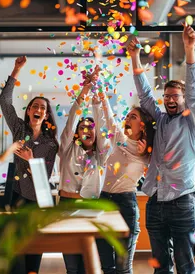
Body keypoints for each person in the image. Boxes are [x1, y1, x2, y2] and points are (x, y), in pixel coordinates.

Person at [127, 24, 195, 274]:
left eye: (175, 96)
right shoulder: (159, 120)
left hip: (182, 201)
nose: (170, 100)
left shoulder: (192, 122)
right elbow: (145, 94)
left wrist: (189, 50)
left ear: (183, 100)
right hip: (155, 202)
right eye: (167, 96)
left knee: (185, 265)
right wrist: (134, 56)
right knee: (160, 267)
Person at [0, 55, 59, 274]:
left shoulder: (50, 144)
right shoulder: (19, 129)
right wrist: (16, 70)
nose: (38, 109)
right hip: (15, 195)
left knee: (34, 250)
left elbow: (44, 180)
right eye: (35, 106)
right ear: (29, 111)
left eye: (42, 108)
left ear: (46, 116)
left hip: (36, 200)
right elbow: (4, 102)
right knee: (14, 252)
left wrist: (32, 160)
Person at [95, 82, 155, 273]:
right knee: (106, 266)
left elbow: (159, 171)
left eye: (133, 117)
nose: (128, 119)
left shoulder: (148, 152)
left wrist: (148, 154)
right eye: (128, 116)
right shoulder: (119, 137)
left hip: (125, 204)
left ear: (142, 125)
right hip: (104, 201)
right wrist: (103, 94)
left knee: (122, 268)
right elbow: (109, 115)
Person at [58, 66, 108, 274]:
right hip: (67, 206)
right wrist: (85, 90)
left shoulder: (102, 154)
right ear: (76, 133)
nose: (86, 130)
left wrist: (97, 95)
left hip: (91, 208)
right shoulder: (67, 149)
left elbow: (103, 124)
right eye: (82, 127)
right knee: (72, 266)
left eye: (90, 127)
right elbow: (71, 119)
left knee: (91, 265)